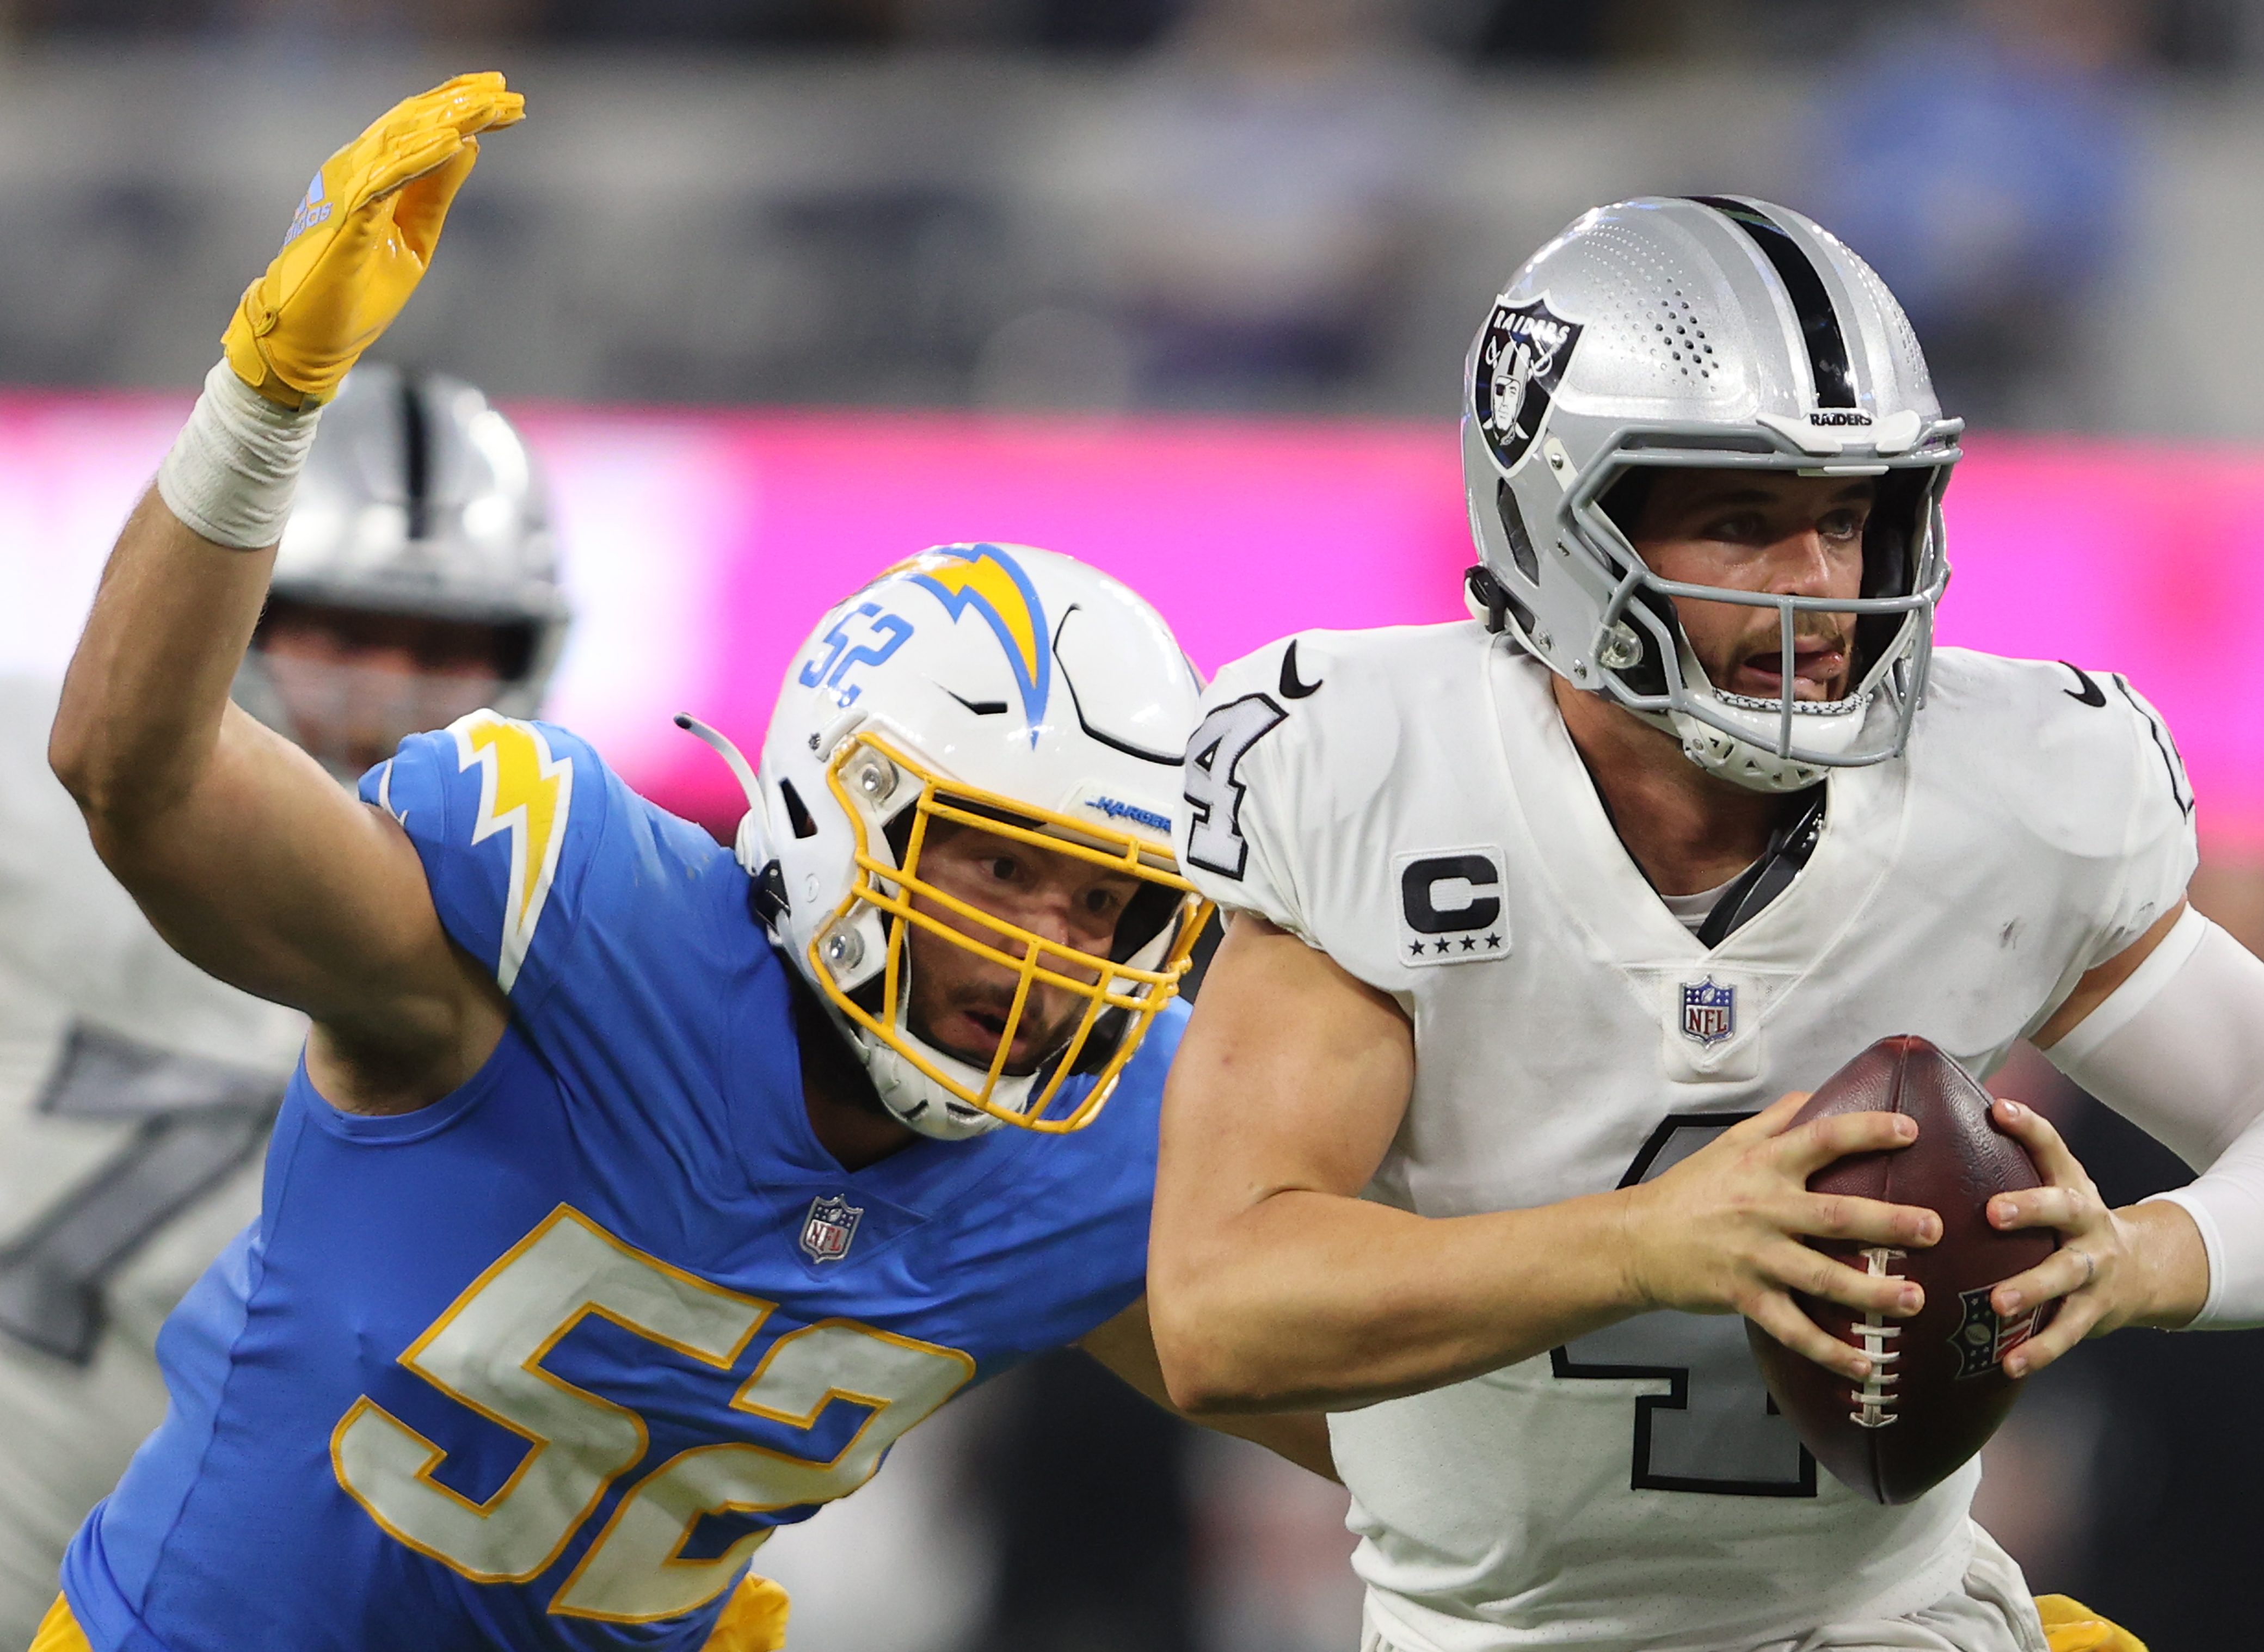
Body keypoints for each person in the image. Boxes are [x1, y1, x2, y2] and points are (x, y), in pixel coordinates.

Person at [36, 75, 1326, 1652]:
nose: (1057, 946)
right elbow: (134, 775)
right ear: (837, 817)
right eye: (995, 868)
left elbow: (1433, 1455)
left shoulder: (1104, 1143)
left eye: (1110, 901)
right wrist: (261, 405)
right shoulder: (566, 935)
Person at [1148, 195, 2264, 1652]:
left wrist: (2131, 1259)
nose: (1817, 587)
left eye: (1846, 517)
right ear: (1560, 523)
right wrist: (1646, 1244)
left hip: (1885, 1622)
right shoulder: (1379, 769)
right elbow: (1219, 1305)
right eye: (1740, 523)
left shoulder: (2009, 784)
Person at [0, 357, 569, 1649]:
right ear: (238, 623)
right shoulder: (38, 800)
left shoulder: (570, 945)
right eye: (344, 633)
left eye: (444, 649)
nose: (391, 694)